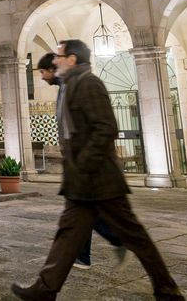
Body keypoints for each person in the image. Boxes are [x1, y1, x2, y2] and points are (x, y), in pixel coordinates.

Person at [12, 41, 184, 301]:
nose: (53, 61)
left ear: (71, 59)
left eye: (58, 57)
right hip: (82, 181)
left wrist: (85, 164)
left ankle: (167, 289)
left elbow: (105, 128)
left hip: (100, 180)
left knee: (135, 237)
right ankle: (44, 290)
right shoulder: (71, 85)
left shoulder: (89, 83)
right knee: (68, 235)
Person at [37, 53, 127, 271]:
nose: (41, 77)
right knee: (83, 211)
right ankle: (84, 255)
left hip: (84, 163)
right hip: (78, 161)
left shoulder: (77, 84)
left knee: (85, 211)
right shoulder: (66, 85)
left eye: (42, 72)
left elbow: (101, 127)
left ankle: (116, 239)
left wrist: (82, 160)